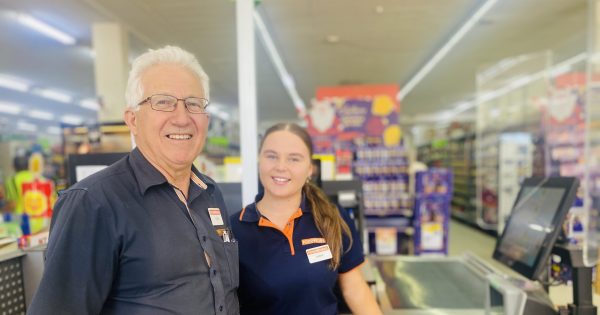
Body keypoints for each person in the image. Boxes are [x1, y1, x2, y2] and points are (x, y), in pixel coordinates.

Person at [28, 46, 239, 314]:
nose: (182, 117)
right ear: (133, 120)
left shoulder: (210, 193)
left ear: (206, 118)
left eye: (193, 104)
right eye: (163, 102)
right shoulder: (93, 203)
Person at [230, 122, 382, 315]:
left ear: (310, 169)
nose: (281, 167)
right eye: (271, 156)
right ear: (259, 160)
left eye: (294, 159)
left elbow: (354, 290)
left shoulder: (332, 217)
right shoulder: (234, 230)